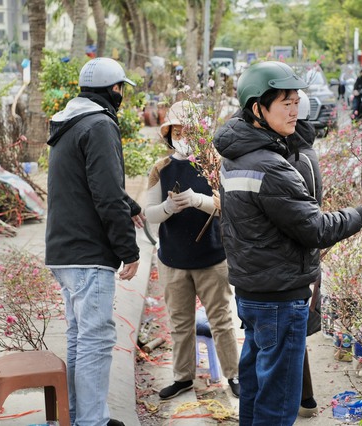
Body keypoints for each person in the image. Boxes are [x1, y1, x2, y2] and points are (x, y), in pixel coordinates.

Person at [213, 60, 362, 424]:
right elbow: (315, 228)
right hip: (280, 298)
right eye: (285, 103)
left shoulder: (235, 156)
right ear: (257, 109)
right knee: (278, 402)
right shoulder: (271, 166)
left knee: (253, 387)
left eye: (297, 100)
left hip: (253, 290)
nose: (295, 109)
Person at [45, 57, 142, 426]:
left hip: (64, 251)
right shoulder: (100, 124)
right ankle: (92, 422)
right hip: (88, 254)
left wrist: (128, 205)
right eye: (121, 89)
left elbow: (88, 184)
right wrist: (128, 250)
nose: (122, 96)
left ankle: (79, 417)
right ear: (114, 90)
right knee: (96, 342)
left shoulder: (70, 122)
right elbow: (105, 196)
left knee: (79, 338)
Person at [143, 100, 240, 400]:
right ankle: (182, 377)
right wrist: (168, 207)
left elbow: (228, 205)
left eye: (189, 130)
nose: (183, 135)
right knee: (179, 323)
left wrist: (199, 200)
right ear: (168, 133)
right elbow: (149, 212)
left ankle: (233, 375)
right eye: (177, 130)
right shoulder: (161, 168)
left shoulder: (214, 164)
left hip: (212, 257)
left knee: (221, 320)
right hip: (173, 259)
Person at [287, 90, 322, 418]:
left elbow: (307, 217)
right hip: (305, 256)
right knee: (295, 332)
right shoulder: (304, 152)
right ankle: (305, 398)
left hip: (301, 258)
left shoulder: (299, 157)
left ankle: (305, 399)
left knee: (293, 332)